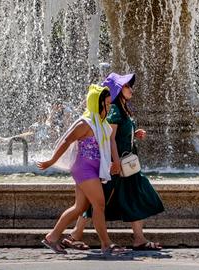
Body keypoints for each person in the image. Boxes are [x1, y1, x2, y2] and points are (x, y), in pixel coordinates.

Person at [64, 72, 165, 251]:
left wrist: (135, 133)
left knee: (133, 193)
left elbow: (118, 134)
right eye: (126, 86)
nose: (130, 89)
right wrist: (115, 162)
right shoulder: (115, 110)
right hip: (116, 165)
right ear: (118, 89)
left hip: (126, 164)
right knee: (96, 199)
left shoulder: (122, 107)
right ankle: (74, 235)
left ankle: (139, 238)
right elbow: (110, 137)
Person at [36, 84, 124, 254]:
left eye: (108, 104)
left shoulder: (101, 123)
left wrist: (115, 161)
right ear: (95, 104)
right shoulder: (86, 123)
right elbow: (66, 141)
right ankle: (106, 244)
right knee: (99, 204)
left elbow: (110, 141)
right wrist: (51, 161)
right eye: (104, 104)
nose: (107, 108)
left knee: (80, 207)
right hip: (84, 169)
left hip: (92, 169)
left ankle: (51, 238)